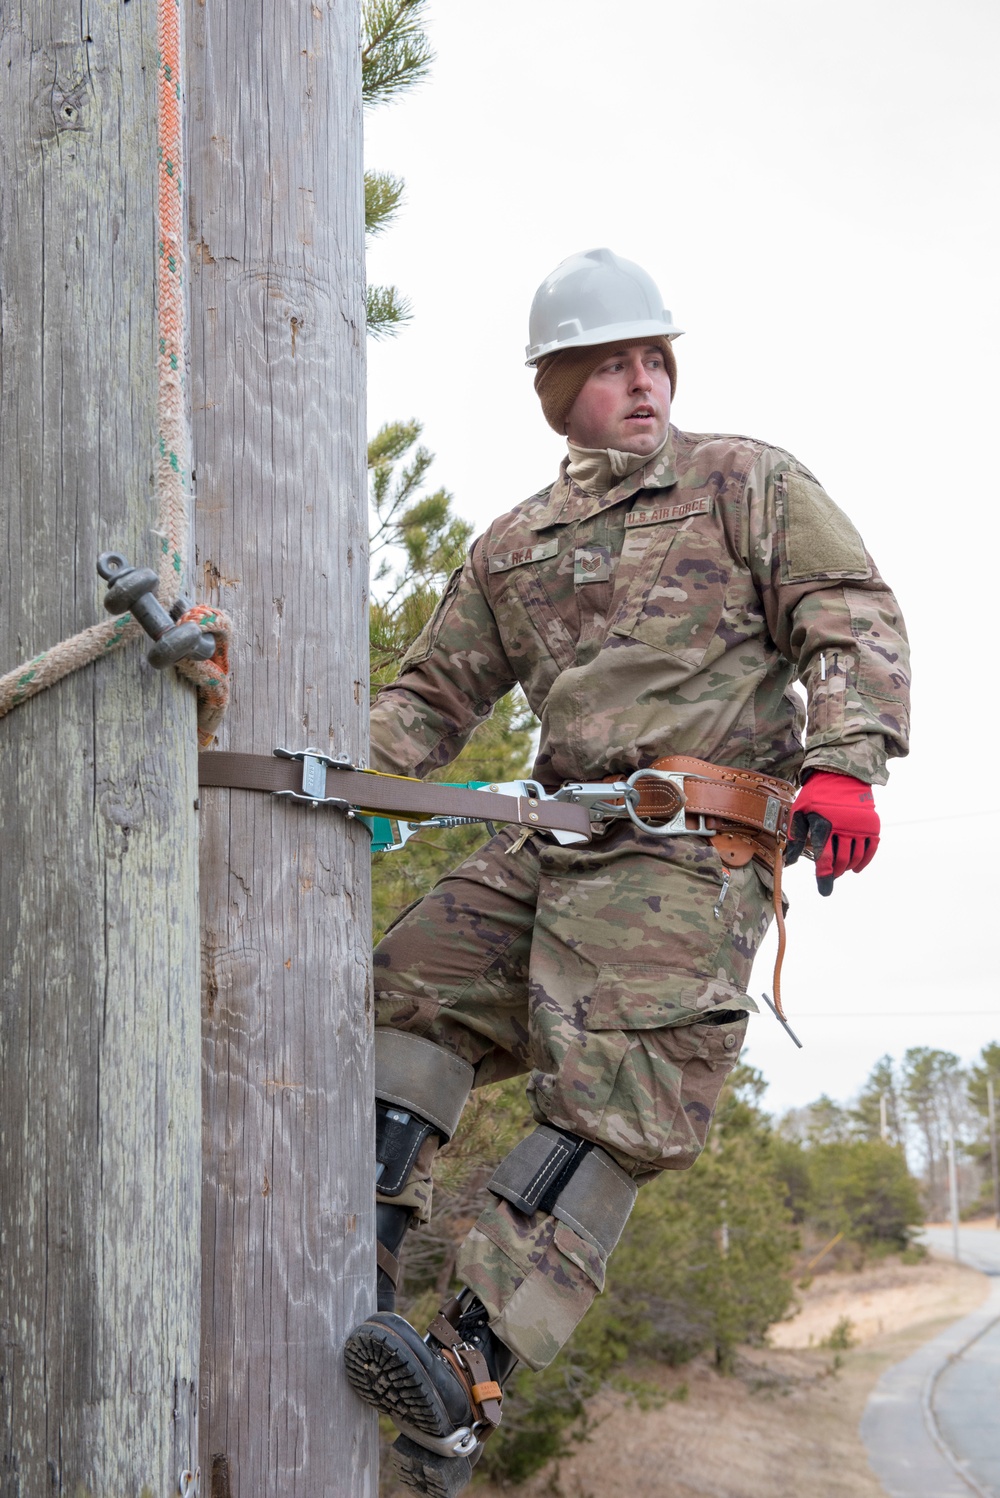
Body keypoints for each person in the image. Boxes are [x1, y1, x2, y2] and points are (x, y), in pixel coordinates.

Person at [344, 247, 910, 1495]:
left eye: (656, 360)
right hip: (554, 836)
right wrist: (352, 791)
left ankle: (464, 1369)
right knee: (405, 987)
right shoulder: (515, 545)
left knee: (613, 1103)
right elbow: (434, 691)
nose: (643, 383)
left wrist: (847, 760)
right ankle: (361, 1251)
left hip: (685, 849)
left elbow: (848, 608)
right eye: (612, 365)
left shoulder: (744, 483)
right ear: (556, 388)